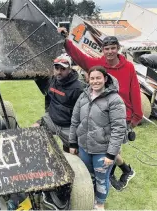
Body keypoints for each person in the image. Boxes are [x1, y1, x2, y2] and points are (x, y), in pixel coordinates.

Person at [58, 27, 143, 190]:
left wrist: (136, 117)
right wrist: (66, 41)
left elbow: (135, 91)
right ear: (103, 50)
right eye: (106, 49)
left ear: (118, 49)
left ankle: (120, 172)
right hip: (102, 114)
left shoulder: (128, 67)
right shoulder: (98, 65)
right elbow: (79, 57)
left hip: (121, 114)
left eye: (113, 48)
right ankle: (121, 171)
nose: (110, 52)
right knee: (106, 148)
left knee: (110, 148)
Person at [69, 66, 127, 210]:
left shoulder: (114, 99)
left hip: (103, 150)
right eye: (92, 78)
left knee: (102, 179)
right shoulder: (83, 96)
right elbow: (75, 120)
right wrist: (72, 143)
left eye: (98, 78)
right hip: (84, 147)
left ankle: (100, 204)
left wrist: (111, 153)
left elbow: (119, 129)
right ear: (88, 79)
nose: (95, 81)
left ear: (105, 79)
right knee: (89, 176)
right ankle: (91, 197)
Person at [32, 54, 84, 152]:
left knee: (73, 154)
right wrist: (48, 112)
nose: (59, 72)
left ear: (69, 69)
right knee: (32, 131)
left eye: (63, 69)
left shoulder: (77, 88)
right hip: (51, 120)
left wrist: (74, 136)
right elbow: (48, 97)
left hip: (68, 126)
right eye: (57, 68)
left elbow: (81, 114)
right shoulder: (52, 80)